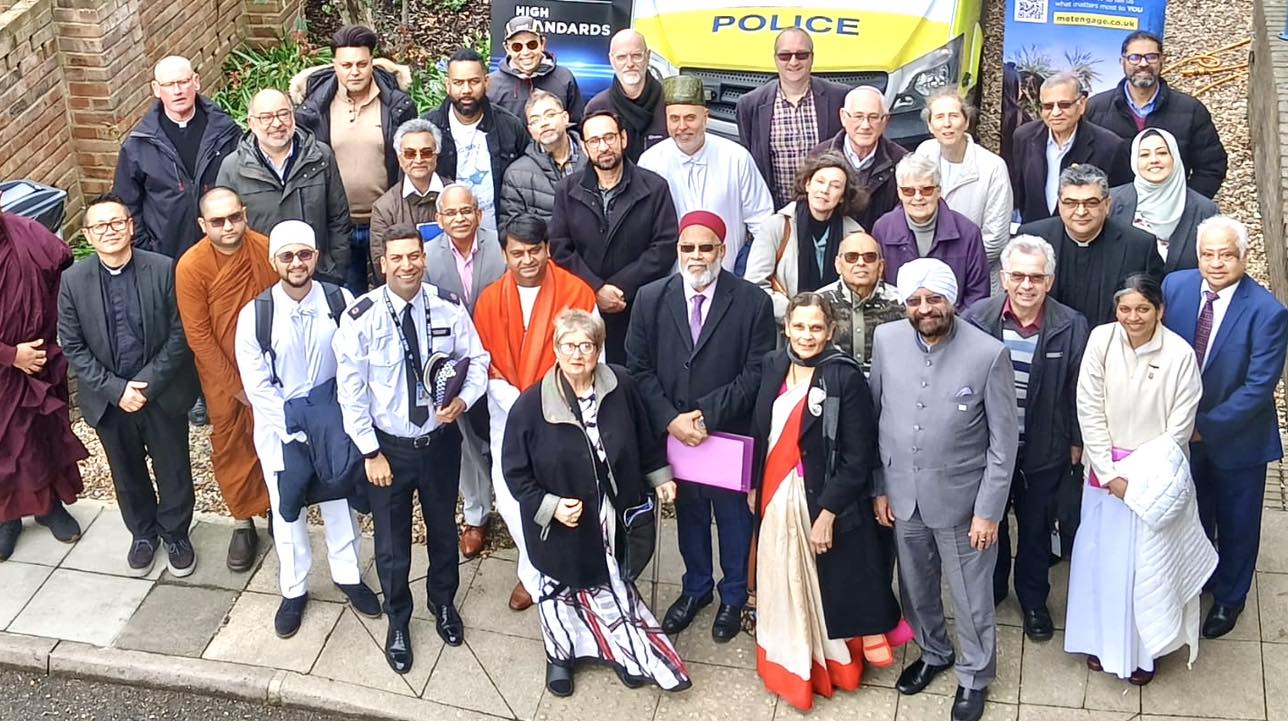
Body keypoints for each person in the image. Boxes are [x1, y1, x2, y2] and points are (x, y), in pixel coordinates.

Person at [502, 309, 690, 697]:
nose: (577, 354)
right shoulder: (530, 406)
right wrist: (551, 506)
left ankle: (622, 651)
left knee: (610, 580)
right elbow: (515, 474)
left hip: (612, 511)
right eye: (569, 345)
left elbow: (644, 436)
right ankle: (560, 656)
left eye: (586, 345)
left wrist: (661, 477)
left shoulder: (621, 384)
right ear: (555, 349)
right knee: (560, 589)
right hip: (560, 523)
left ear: (599, 349)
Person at [334, 225, 490, 672]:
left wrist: (464, 400)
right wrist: (370, 452)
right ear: (382, 263)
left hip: (439, 443)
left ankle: (442, 602)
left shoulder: (448, 306)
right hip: (389, 449)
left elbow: (477, 360)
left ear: (424, 258)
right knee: (391, 543)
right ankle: (398, 619)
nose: (407, 266)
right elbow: (351, 392)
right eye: (397, 258)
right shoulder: (361, 318)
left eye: (414, 256)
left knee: (443, 530)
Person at [869, 258, 1018, 721]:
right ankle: (934, 651)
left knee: (972, 598)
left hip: (964, 504)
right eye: (914, 300)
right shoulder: (887, 340)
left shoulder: (989, 353)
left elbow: (1003, 445)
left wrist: (988, 511)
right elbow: (876, 416)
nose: (924, 308)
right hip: (902, 494)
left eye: (934, 298)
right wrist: (879, 486)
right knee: (915, 587)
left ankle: (975, 676)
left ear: (951, 300)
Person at [625, 211, 776, 642]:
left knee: (732, 519)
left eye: (705, 248)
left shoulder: (752, 301)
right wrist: (671, 420)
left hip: (726, 434)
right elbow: (638, 367)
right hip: (674, 435)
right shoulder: (651, 298)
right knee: (689, 516)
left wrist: (706, 416)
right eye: (687, 248)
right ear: (678, 250)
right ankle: (696, 588)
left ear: (722, 250)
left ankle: (733, 595)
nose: (696, 256)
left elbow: (756, 372)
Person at [751, 292, 903, 711]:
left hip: (819, 502)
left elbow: (857, 458)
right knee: (782, 580)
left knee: (820, 586)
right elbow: (760, 431)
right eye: (799, 326)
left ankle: (826, 665)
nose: (807, 335)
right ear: (786, 328)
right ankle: (785, 661)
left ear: (831, 330)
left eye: (816, 327)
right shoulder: (773, 365)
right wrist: (753, 485)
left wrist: (828, 513)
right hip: (775, 497)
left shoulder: (844, 377)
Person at [234, 220, 381, 638]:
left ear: (316, 256)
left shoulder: (341, 300)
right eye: (287, 256)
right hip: (282, 429)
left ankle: (348, 575)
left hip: (334, 422)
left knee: (340, 501)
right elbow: (256, 384)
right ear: (273, 261)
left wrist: (341, 418)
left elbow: (359, 360)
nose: (296, 263)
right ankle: (294, 588)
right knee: (288, 507)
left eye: (304, 254)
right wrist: (294, 425)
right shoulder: (256, 315)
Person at [1066, 273, 1213, 686]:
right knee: (1101, 561)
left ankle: (1144, 652)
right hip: (1104, 476)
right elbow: (1088, 407)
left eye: (1143, 309)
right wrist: (1108, 473)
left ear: (1159, 310)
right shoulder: (1100, 340)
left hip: (1153, 479)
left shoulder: (1180, 354)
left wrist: (1135, 481)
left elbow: (1179, 428)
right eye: (1125, 309)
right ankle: (1099, 643)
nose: (1133, 317)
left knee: (1147, 567)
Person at [58, 194, 199, 577]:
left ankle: (175, 534)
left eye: (116, 222)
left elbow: (180, 333)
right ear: (89, 235)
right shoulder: (73, 281)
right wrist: (117, 390)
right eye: (100, 226)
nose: (110, 231)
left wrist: (146, 384)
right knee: (126, 472)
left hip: (161, 393)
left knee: (173, 469)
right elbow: (73, 345)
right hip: (109, 400)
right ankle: (143, 534)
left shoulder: (163, 269)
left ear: (130, 226)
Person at [1162, 216, 1288, 639]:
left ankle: (1231, 597)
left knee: (1238, 525)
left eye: (1227, 255)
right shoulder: (1175, 287)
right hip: (1182, 433)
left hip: (1238, 442)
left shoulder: (1268, 312)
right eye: (1208, 254)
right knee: (1193, 513)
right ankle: (1198, 576)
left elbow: (1258, 389)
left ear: (1244, 257)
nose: (1216, 263)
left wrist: (1203, 428)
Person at [961, 236, 1089, 639]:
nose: (1026, 285)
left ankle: (1033, 601)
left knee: (1036, 531)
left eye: (1036, 277)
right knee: (991, 524)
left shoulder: (1071, 325)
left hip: (1043, 448)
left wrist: (1075, 440)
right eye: (1018, 276)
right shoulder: (976, 319)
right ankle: (994, 589)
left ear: (1049, 281)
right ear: (1004, 278)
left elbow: (1078, 389)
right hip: (988, 450)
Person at [472, 213, 598, 611]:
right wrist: (519, 405)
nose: (526, 260)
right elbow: (483, 362)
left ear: (548, 250)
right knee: (512, 496)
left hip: (562, 412)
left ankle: (549, 571)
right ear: (504, 255)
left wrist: (549, 402)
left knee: (561, 495)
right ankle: (535, 568)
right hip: (507, 411)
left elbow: (591, 357)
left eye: (534, 251)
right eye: (517, 253)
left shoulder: (578, 293)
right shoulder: (489, 300)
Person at [176, 187, 277, 570]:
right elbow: (198, 335)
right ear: (203, 225)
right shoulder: (191, 266)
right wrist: (236, 385)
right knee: (232, 444)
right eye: (218, 221)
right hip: (223, 374)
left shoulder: (266, 249)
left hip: (270, 368)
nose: (229, 226)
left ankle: (280, 508)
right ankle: (242, 520)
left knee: (276, 438)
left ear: (245, 214)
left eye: (235, 217)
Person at [292, 25, 418, 295]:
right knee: (349, 297)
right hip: (338, 224)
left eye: (362, 64)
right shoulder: (314, 110)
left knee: (392, 293)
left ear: (372, 61)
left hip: (385, 220)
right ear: (334, 65)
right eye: (346, 65)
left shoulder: (397, 106)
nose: (355, 71)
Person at [549, 111, 679, 363]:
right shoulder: (567, 190)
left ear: (623, 138)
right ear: (585, 147)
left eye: (609, 137)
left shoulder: (654, 187)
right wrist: (596, 289)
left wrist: (620, 287)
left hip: (637, 305)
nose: (603, 147)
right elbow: (560, 248)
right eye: (595, 141)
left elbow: (664, 246)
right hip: (584, 309)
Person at [421, 184, 505, 559]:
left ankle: (518, 505)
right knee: (466, 441)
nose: (459, 218)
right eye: (451, 213)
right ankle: (476, 513)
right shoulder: (426, 257)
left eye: (466, 211)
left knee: (506, 434)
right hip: (455, 363)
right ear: (439, 219)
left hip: (501, 357)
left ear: (479, 214)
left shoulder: (501, 247)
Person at [0, 212, 88, 561]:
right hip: (7, 364)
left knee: (40, 435)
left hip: (39, 358)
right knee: (4, 446)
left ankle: (48, 505)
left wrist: (43, 335)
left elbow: (60, 267)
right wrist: (10, 355)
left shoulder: (25, 231)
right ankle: (7, 517)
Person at [216, 88, 351, 286]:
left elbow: (338, 217)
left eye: (283, 114)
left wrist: (335, 268)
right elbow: (226, 231)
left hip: (318, 275)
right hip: (261, 280)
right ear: (251, 123)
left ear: (293, 116)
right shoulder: (232, 168)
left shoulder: (320, 156)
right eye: (266, 117)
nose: (277, 123)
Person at [640, 76, 774, 274]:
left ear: (705, 117)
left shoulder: (735, 157)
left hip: (729, 277)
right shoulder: (650, 162)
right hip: (671, 280)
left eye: (690, 118)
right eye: (674, 118)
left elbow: (762, 222)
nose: (682, 126)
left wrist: (752, 274)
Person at [113, 55, 240, 259]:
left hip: (226, 249)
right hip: (168, 258)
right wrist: (149, 251)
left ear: (196, 82)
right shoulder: (139, 145)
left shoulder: (225, 133)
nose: (177, 91)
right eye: (169, 85)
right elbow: (126, 205)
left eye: (183, 82)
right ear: (156, 89)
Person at [1086, 30, 1227, 198]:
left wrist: (1186, 203)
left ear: (1162, 60)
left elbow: (1211, 167)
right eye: (1135, 57)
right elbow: (1082, 167)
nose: (1143, 64)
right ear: (1122, 61)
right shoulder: (1095, 109)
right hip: (1113, 207)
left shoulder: (1191, 110)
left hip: (1173, 207)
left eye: (1151, 57)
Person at [1018, 164, 1163, 325]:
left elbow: (1151, 306)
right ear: (1059, 204)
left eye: (1091, 203)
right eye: (1071, 203)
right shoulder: (1031, 238)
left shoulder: (1139, 246)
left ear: (1107, 205)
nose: (1081, 212)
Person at [744, 151, 864, 321]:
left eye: (835, 186)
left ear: (843, 197)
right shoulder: (777, 226)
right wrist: (794, 314)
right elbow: (754, 285)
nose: (825, 190)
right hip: (787, 326)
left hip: (838, 326)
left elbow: (861, 287)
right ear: (807, 184)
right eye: (820, 181)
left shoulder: (854, 234)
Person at [737, 28, 849, 208]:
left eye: (802, 55)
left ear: (812, 57)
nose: (793, 62)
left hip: (828, 210)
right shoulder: (750, 105)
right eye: (785, 56)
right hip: (775, 212)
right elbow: (750, 161)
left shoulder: (839, 98)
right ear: (775, 59)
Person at [423, 48, 529, 234]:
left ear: (486, 82)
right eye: (458, 83)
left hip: (499, 234)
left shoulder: (510, 126)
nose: (466, 90)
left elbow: (527, 180)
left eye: (474, 81)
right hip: (445, 235)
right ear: (448, 85)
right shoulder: (428, 129)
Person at [915, 91, 1013, 291]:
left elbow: (995, 238)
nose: (947, 124)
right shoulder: (923, 153)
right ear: (930, 126)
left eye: (954, 116)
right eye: (939, 117)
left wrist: (955, 267)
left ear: (966, 122)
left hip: (975, 279)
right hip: (926, 281)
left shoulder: (993, 167)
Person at [872, 154, 989, 310]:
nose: (918, 197)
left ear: (938, 191)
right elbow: (877, 285)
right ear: (899, 193)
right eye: (909, 191)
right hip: (898, 320)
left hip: (954, 321)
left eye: (926, 190)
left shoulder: (968, 232)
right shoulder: (882, 229)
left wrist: (952, 322)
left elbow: (977, 295)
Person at [1010, 73, 1131, 224]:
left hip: (1087, 235)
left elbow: (1120, 202)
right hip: (1034, 232)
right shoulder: (1024, 137)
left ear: (1082, 104)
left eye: (1064, 105)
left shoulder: (1111, 146)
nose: (1055, 113)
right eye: (1048, 106)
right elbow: (1020, 193)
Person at [1109, 128, 1219, 274]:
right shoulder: (1111, 202)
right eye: (1144, 155)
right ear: (1134, 160)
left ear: (1174, 157)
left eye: (1162, 153)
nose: (1154, 160)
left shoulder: (1205, 210)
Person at [809, 86, 908, 231]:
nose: (865, 125)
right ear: (843, 117)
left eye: (873, 117)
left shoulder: (901, 162)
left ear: (885, 120)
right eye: (858, 116)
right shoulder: (819, 156)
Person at [499, 90, 587, 236]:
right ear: (530, 130)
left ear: (565, 118)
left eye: (550, 115)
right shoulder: (516, 174)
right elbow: (512, 231)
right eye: (535, 120)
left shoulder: (593, 158)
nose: (544, 124)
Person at [816, 230, 904, 374]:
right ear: (838, 264)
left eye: (869, 257)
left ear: (881, 266)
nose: (861, 263)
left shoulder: (902, 302)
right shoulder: (818, 303)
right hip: (832, 382)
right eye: (851, 257)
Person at [369, 118, 447, 276]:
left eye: (426, 153)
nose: (418, 160)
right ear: (400, 158)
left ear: (436, 156)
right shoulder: (384, 208)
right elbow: (381, 263)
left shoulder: (456, 197)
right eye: (410, 153)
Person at [584, 30, 668, 162]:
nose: (629, 64)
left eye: (636, 56)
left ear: (648, 56)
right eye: (621, 57)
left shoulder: (669, 103)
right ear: (611, 60)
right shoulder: (597, 108)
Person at [487, 16, 584, 124]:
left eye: (532, 45)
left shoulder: (564, 78)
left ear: (542, 43)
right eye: (517, 47)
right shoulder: (492, 84)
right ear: (507, 48)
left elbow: (576, 124)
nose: (525, 52)